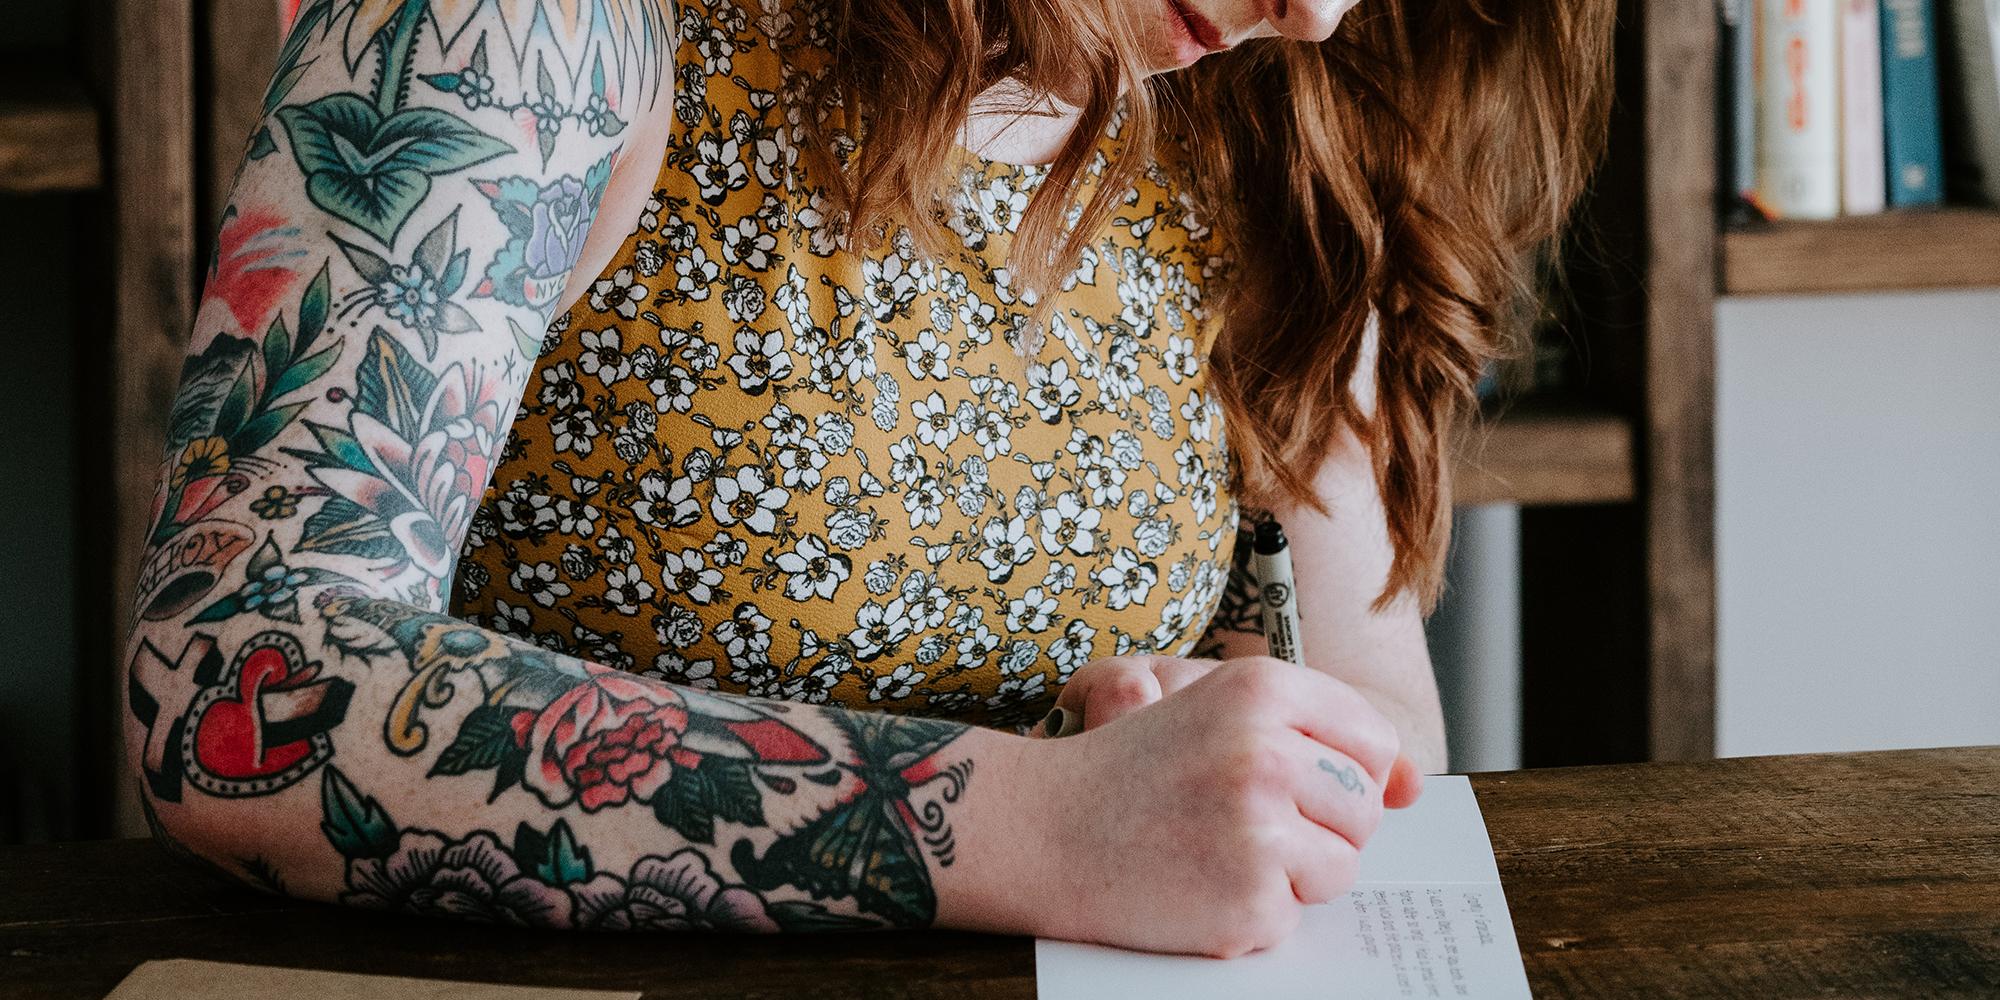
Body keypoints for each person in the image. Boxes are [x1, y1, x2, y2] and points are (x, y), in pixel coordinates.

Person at [126, 0, 1610, 957]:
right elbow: (240, 677)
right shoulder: (537, 26)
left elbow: (1387, 736)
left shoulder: (1279, 117)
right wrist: (1040, 821)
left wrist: (1225, 754)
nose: (1317, 10)